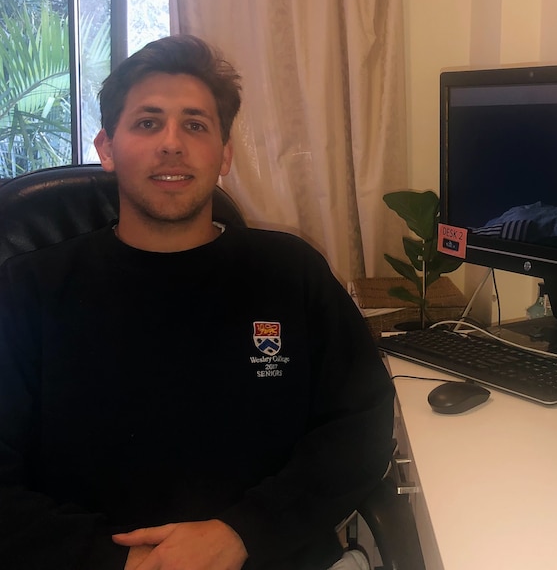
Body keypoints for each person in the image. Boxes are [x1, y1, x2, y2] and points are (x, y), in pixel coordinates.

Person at [0, 35, 394, 570]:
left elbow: (361, 425)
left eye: (195, 124)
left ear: (225, 154)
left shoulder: (290, 273)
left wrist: (241, 533)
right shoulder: (29, 292)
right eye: (147, 122)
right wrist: (125, 561)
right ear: (107, 149)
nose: (172, 143)